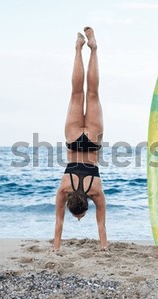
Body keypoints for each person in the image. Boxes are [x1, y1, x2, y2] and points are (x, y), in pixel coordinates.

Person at [53, 27, 107, 251]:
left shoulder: (96, 191)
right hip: (74, 137)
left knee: (93, 93)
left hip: (93, 140)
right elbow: (59, 223)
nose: (80, 218)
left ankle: (93, 49)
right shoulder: (64, 189)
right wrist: (55, 246)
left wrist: (104, 246)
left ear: (86, 203)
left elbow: (101, 226)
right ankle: (78, 48)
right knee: (77, 93)